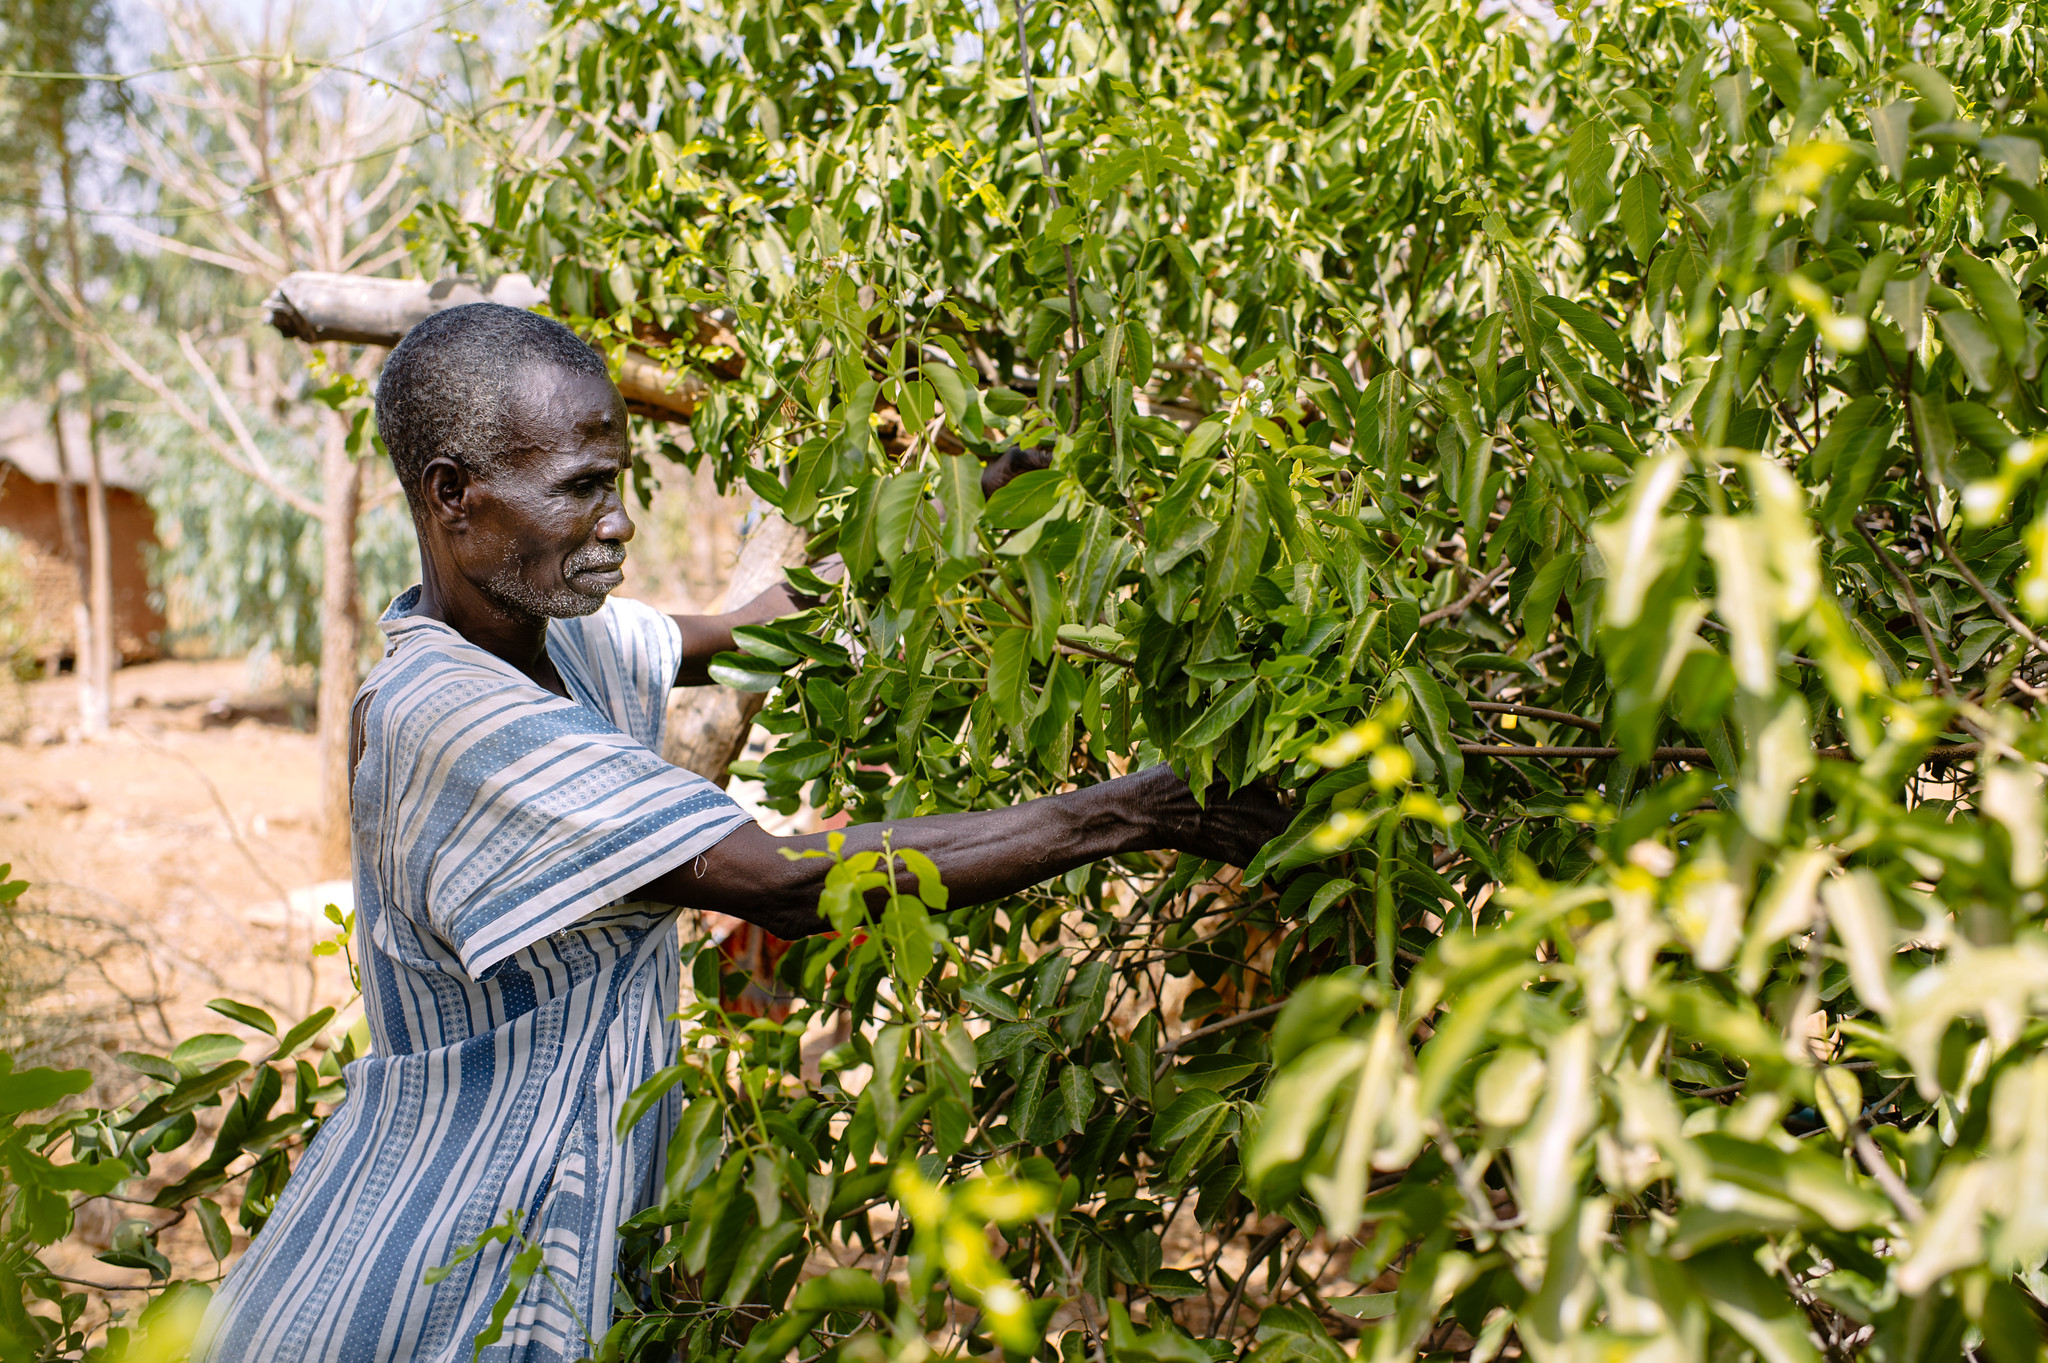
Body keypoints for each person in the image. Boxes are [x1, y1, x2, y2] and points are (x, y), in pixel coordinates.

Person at [192, 303, 1288, 1362]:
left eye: (614, 485)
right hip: (428, 1271)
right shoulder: (454, 717)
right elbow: (784, 883)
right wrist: (1141, 809)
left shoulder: (546, 634)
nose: (617, 522)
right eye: (580, 490)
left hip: (529, 1228)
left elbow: (758, 632)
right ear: (454, 497)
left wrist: (965, 499)